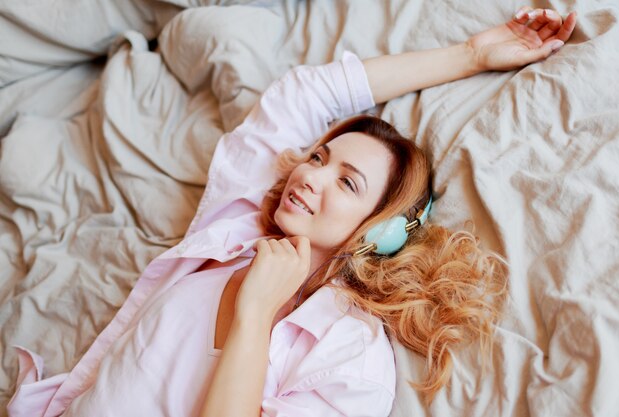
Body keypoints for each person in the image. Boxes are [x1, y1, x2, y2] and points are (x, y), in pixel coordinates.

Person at [7, 6, 576, 417]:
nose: (309, 175)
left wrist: (256, 312)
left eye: (347, 182)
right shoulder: (235, 227)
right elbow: (308, 93)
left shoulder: (349, 356)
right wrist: (473, 53)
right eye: (318, 157)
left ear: (378, 232)